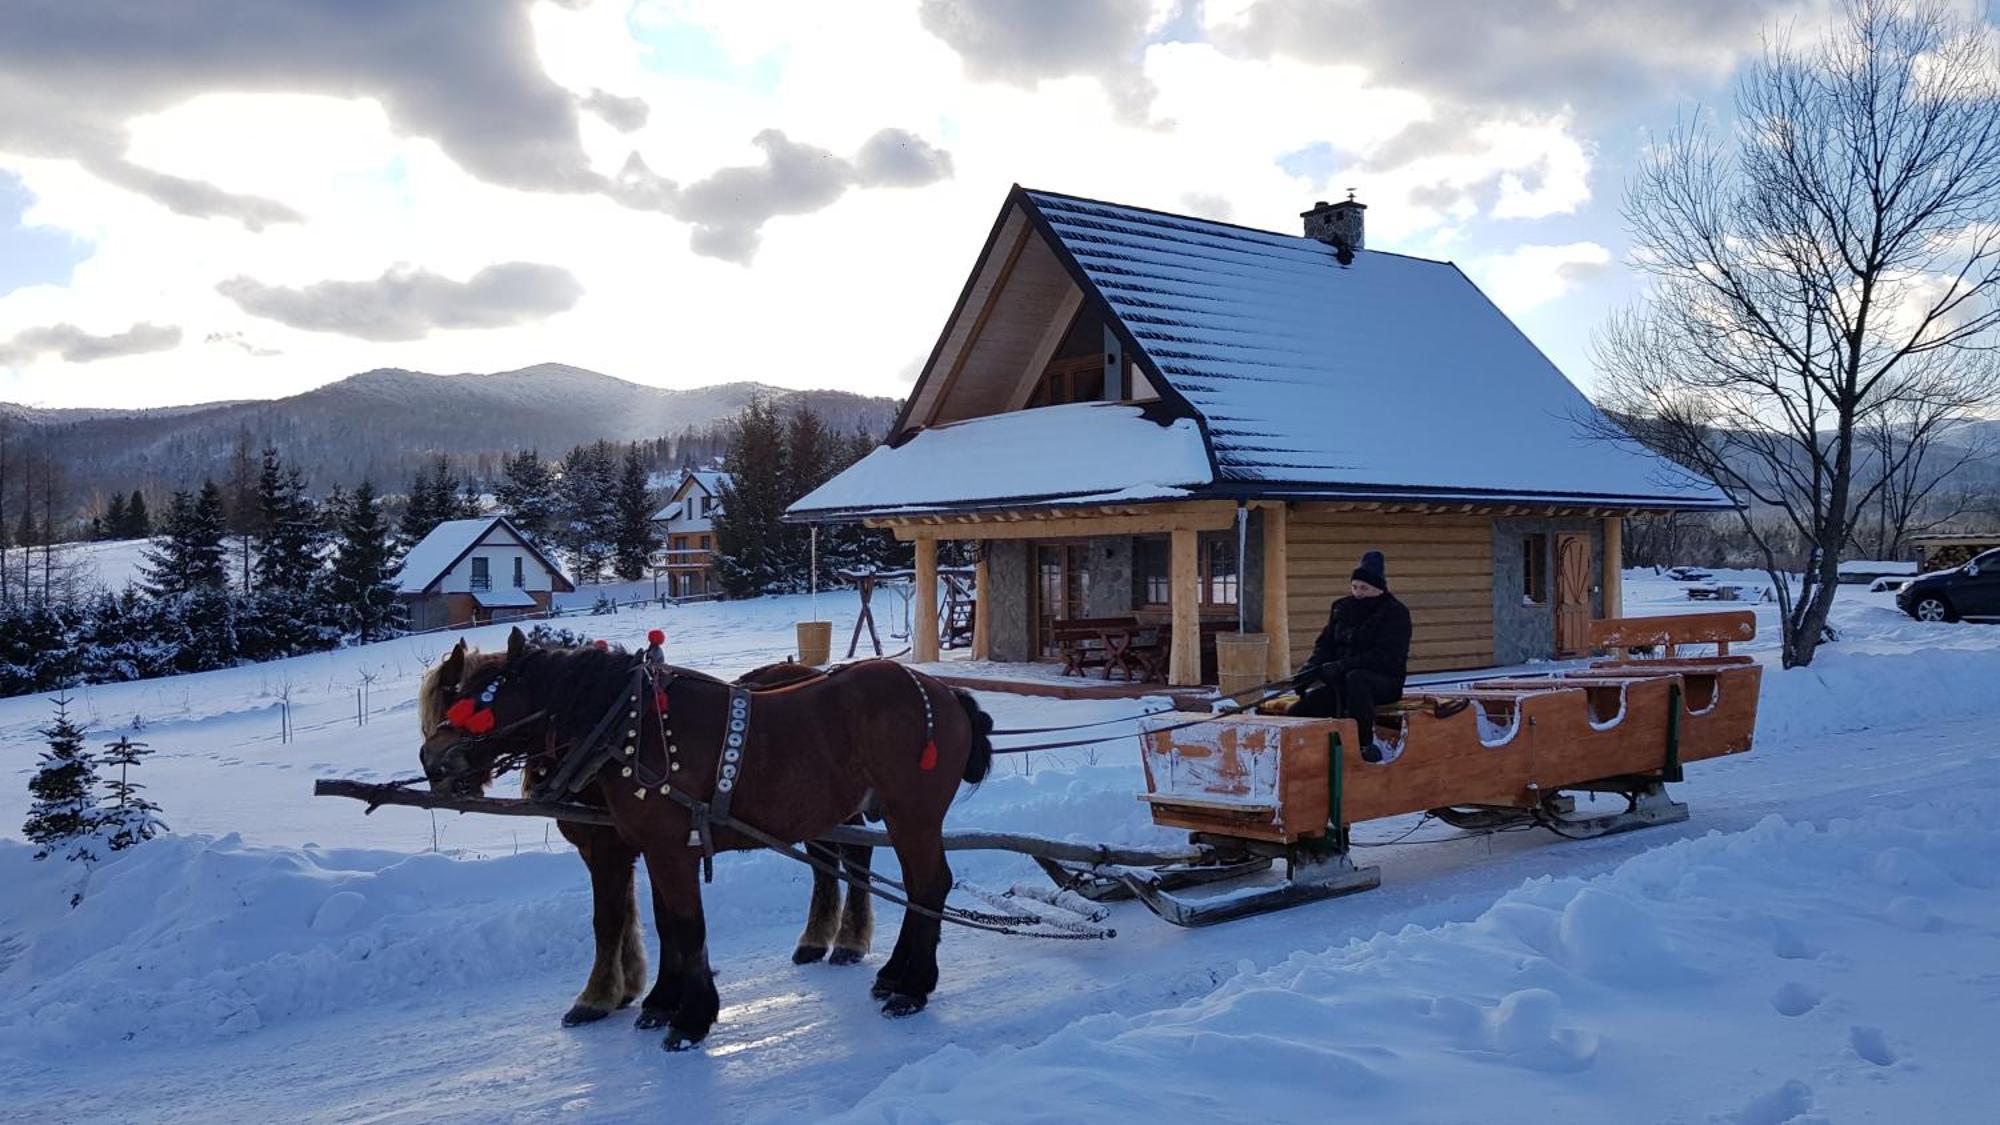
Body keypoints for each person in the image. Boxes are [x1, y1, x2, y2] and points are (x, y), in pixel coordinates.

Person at [1289, 550, 1411, 762]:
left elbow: (1387, 656)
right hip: (1342, 682)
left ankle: (1363, 745)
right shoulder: (1341, 608)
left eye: (1364, 588)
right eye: (1355, 587)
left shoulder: (1395, 612)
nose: (1358, 593)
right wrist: (1310, 670)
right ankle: (1296, 752)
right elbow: (1325, 644)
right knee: (1301, 709)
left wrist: (1342, 666)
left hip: (1383, 682)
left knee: (1357, 679)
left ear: (1379, 588)